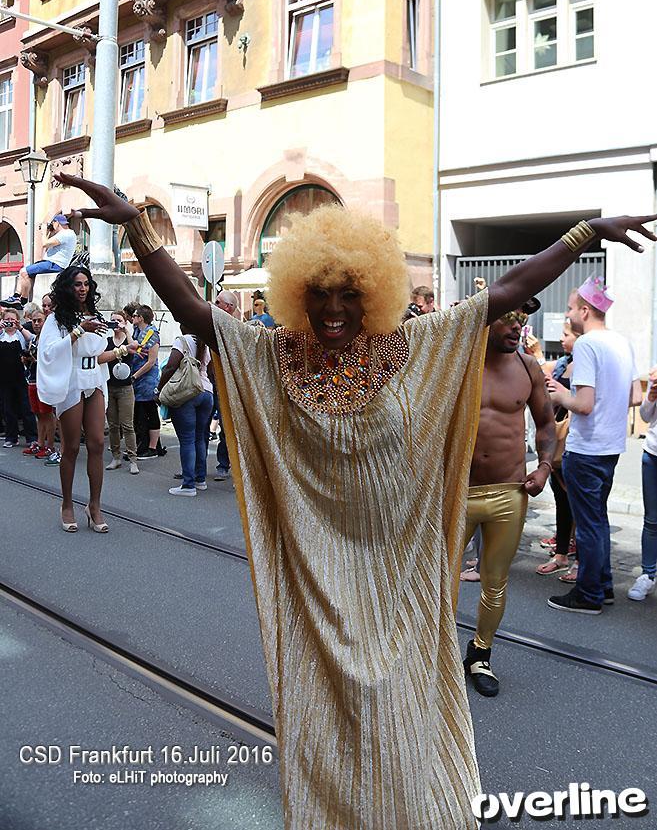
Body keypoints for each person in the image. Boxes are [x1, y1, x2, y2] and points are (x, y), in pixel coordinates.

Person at [58, 171, 656, 830]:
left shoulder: (412, 346)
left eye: (348, 293)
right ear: (299, 295)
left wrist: (586, 234)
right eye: (320, 293)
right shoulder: (274, 352)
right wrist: (137, 230)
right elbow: (198, 314)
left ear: (372, 293)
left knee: (401, 716)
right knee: (324, 720)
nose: (334, 308)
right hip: (316, 575)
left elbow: (505, 294)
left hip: (399, 571)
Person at [461, 299, 556, 697]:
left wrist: (545, 467)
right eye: (509, 319)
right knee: (439, 581)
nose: (518, 328)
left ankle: (480, 653)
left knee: (495, 583)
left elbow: (547, 423)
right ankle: (430, 655)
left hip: (509, 493)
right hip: (457, 495)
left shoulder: (527, 368)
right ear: (488, 318)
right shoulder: (459, 364)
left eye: (523, 321)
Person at [547, 278, 643, 614]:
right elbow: (636, 397)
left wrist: (559, 395)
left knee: (589, 525)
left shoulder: (587, 345)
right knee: (597, 520)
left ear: (585, 311)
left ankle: (588, 595)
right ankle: (602, 586)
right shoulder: (622, 342)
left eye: (572, 308)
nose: (569, 313)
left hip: (586, 447)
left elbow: (584, 404)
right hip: (611, 446)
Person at [37, 266, 110, 533]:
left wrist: (121, 339)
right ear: (68, 288)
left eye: (86, 284)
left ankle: (94, 506)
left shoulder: (95, 314)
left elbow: (101, 349)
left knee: (98, 443)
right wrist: (79, 330)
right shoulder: (56, 319)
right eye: (77, 284)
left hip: (94, 378)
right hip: (71, 380)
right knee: (71, 447)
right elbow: (48, 352)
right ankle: (67, 504)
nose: (82, 288)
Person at [529, 322, 579, 577]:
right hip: (558, 437)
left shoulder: (584, 364)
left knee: (575, 503)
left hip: (573, 439)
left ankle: (577, 559)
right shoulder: (564, 362)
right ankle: (561, 554)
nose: (561, 339)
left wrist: (562, 392)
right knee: (561, 498)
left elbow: (584, 401)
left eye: (566, 334)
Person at [158, 327, 213, 496]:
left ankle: (188, 485)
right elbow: (210, 372)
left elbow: (170, 367)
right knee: (199, 437)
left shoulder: (182, 340)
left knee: (187, 439)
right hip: (207, 393)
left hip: (188, 393)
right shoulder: (206, 343)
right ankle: (200, 479)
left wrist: (159, 389)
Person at [98, 311, 140, 475]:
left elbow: (134, 348)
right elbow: (100, 356)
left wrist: (126, 331)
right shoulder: (107, 341)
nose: (115, 323)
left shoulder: (127, 339)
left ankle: (133, 460)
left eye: (119, 320)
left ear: (125, 322)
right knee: (113, 425)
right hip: (109, 386)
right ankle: (116, 457)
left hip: (125, 388)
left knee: (127, 425)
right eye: (113, 320)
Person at [3, 215, 77, 307]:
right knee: (26, 273)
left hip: (54, 264)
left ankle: (21, 300)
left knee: (24, 271)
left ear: (57, 223)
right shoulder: (68, 234)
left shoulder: (66, 233)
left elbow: (45, 244)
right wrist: (50, 232)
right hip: (52, 263)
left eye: (53, 223)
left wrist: (43, 232)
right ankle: (17, 297)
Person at [629, 367, 657, 601]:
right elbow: (646, 416)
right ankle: (648, 574)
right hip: (653, 455)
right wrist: (651, 395)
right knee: (652, 520)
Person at [0, 308, 38, 449]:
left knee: (26, 407)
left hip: (21, 376)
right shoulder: (1, 335)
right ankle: (11, 437)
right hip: (4, 377)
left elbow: (32, 339)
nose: (9, 322)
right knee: (7, 409)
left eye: (12, 319)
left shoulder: (20, 335)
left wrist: (20, 327)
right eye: (7, 319)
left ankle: (32, 438)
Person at [22, 309, 56, 460]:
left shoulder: (49, 339)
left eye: (39, 321)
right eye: (34, 321)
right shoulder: (34, 339)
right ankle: (40, 443)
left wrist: (36, 360)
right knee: (38, 414)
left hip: (44, 381)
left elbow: (50, 359)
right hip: (33, 378)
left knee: (47, 414)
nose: (36, 324)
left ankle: (50, 446)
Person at [131, 305, 164, 460]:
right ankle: (145, 445)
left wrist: (135, 376)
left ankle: (152, 448)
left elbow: (151, 362)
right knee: (140, 414)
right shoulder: (137, 332)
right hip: (139, 380)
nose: (132, 318)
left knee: (150, 412)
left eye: (134, 315)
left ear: (141, 318)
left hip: (147, 381)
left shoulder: (151, 333)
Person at [213, 290, 240, 480]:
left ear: (228, 307)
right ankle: (196, 470)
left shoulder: (237, 328)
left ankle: (227, 464)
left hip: (231, 385)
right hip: (211, 383)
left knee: (228, 426)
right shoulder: (213, 326)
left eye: (218, 301)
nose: (214, 304)